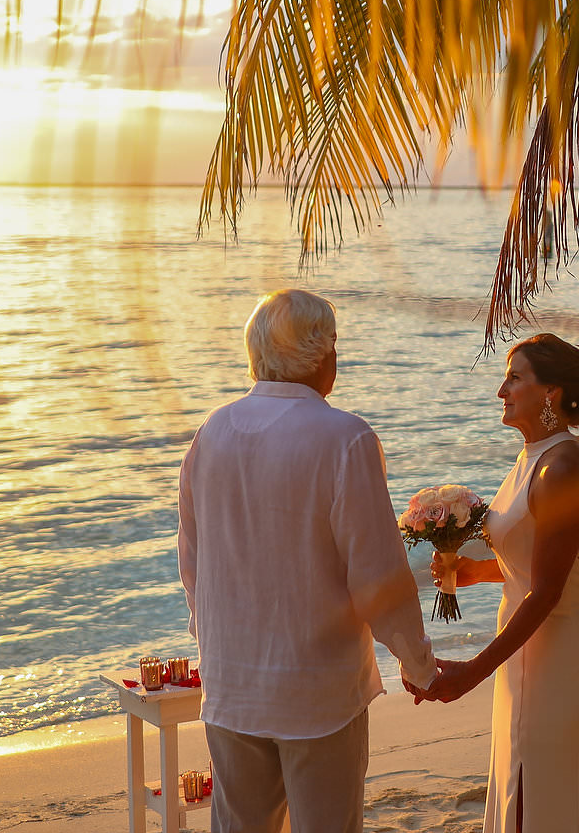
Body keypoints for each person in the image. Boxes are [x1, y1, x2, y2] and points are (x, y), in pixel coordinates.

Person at [177, 288, 441, 833]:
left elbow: (194, 564)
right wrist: (419, 666)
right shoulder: (344, 439)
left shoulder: (211, 434)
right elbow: (377, 580)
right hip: (316, 690)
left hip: (233, 683)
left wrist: (215, 648)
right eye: (335, 346)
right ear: (321, 356)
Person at [420, 332, 579, 833]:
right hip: (526, 654)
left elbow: (547, 592)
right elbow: (535, 564)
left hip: (556, 655)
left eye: (514, 378)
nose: (502, 390)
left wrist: (470, 672)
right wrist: (474, 569)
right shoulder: (533, 457)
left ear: (549, 393)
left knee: (540, 800)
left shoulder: (563, 467)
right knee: (520, 790)